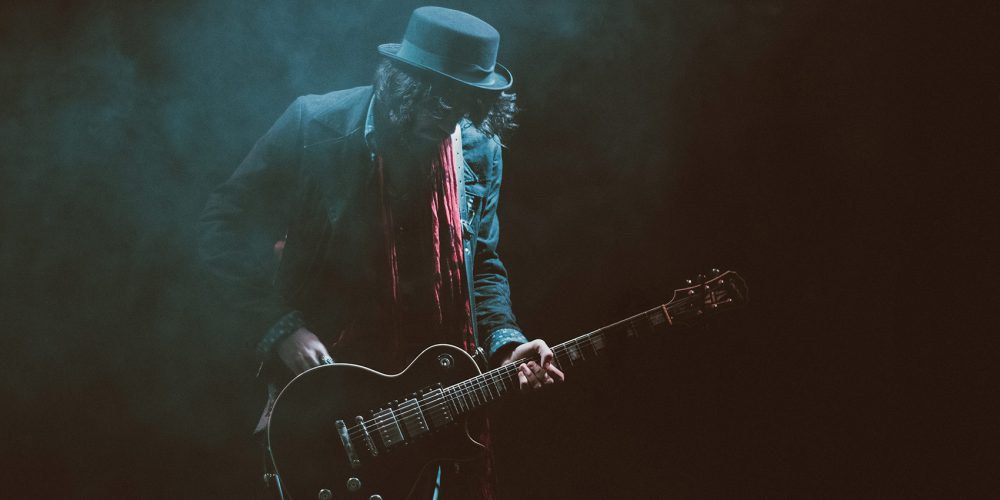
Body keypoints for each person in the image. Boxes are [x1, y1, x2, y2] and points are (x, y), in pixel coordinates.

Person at [198, 6, 563, 499]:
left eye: (464, 104)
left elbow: (480, 262)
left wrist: (505, 343)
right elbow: (222, 228)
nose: (448, 118)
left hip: (426, 396)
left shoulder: (479, 149)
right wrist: (280, 327)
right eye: (437, 100)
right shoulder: (316, 124)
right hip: (326, 394)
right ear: (401, 83)